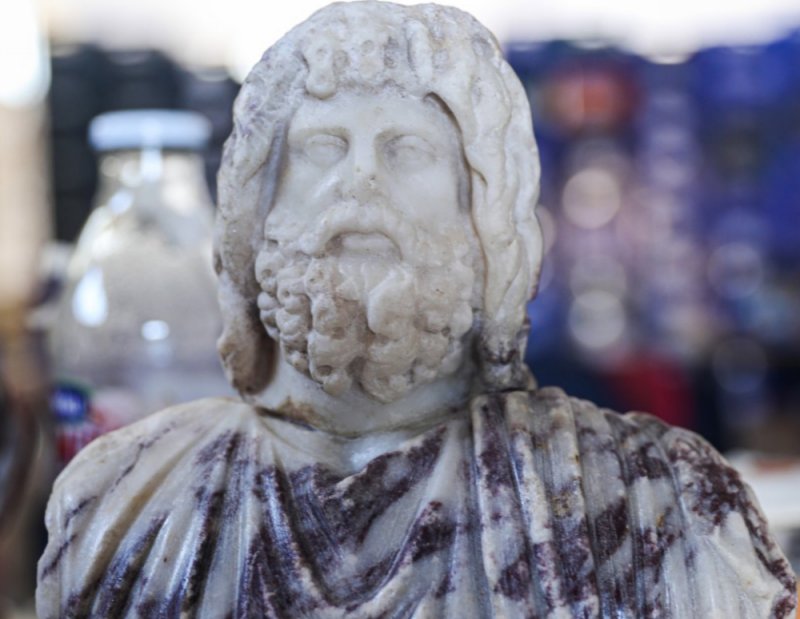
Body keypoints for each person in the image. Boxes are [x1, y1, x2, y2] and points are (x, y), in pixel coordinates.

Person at [37, 3, 797, 617]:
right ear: (255, 214)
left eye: (406, 149)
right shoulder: (126, 502)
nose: (357, 181)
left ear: (485, 224)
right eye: (323, 148)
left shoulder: (659, 509)